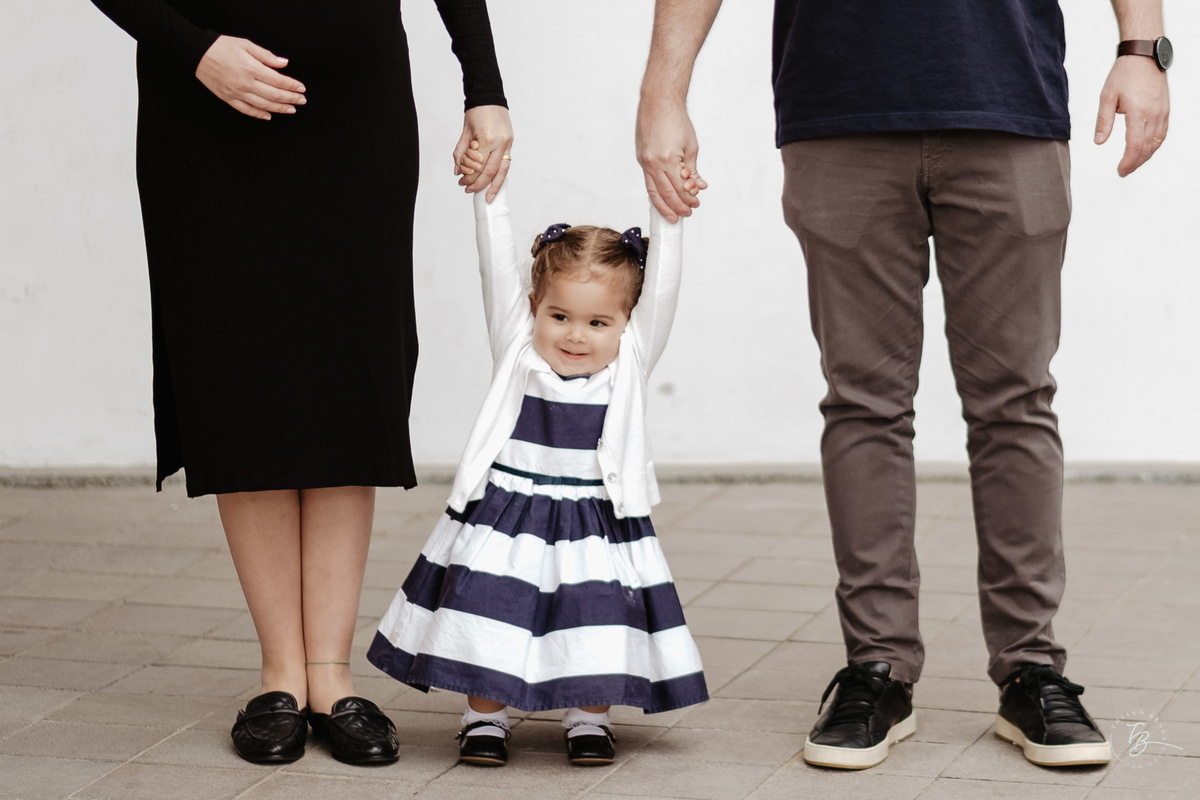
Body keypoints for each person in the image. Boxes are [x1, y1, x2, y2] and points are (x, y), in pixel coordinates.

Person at [635, 0, 1169, 771]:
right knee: (863, 403)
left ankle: (1031, 671)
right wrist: (664, 90)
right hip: (840, 107)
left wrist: (1142, 48)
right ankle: (876, 670)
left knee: (1015, 403)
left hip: (1007, 101)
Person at [88, 0, 513, 766]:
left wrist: (484, 86)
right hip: (206, 98)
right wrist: (193, 49)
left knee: (350, 367)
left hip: (356, 99)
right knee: (239, 367)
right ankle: (280, 673)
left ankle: (331, 676)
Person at [367, 162, 708, 767]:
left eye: (598, 322)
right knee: (489, 611)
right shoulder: (517, 347)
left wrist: (669, 208)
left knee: (595, 617)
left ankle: (587, 719)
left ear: (626, 323)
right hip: (507, 510)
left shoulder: (629, 358)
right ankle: (484, 718)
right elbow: (493, 261)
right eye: (560, 317)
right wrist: (487, 192)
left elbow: (666, 283)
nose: (576, 335)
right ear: (534, 308)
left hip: (596, 515)